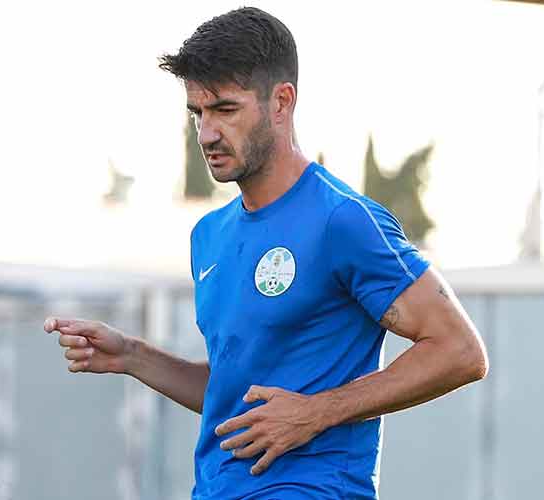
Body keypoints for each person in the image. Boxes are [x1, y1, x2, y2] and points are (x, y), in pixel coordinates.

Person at [43, 6, 488, 500]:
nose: (207, 134)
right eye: (199, 114)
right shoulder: (209, 236)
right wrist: (131, 355)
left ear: (281, 101)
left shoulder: (342, 220)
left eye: (226, 110)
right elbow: (237, 396)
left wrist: (316, 411)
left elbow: (460, 351)